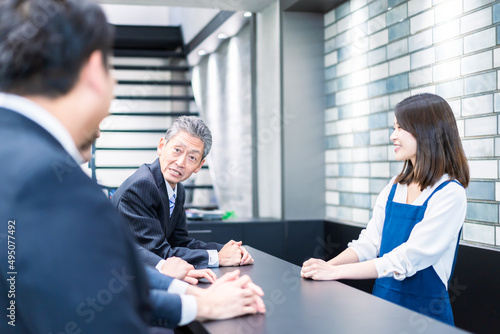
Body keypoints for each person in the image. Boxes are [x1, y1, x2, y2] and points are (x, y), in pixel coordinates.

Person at [0, 1, 264, 332]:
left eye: (192, 157)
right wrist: (199, 301)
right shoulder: (47, 180)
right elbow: (104, 307)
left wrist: (196, 300)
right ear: (95, 70)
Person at [301, 93, 469, 326]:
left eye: (400, 128)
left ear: (426, 132)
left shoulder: (451, 194)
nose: (393, 136)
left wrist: (336, 273)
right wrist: (327, 266)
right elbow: (369, 243)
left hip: (426, 319)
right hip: (381, 310)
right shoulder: (394, 186)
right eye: (394, 128)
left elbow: (406, 259)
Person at [112, 116, 254, 269]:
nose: (180, 163)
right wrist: (218, 258)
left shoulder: (177, 189)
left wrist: (228, 250)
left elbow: (179, 242)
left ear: (199, 165)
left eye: (192, 157)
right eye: (177, 150)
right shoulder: (141, 187)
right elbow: (158, 253)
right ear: (161, 146)